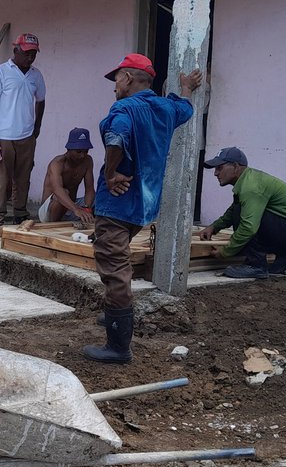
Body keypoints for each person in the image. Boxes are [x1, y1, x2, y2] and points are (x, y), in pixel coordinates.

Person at [82, 54, 202, 364]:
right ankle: (115, 313)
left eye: (117, 78)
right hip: (144, 206)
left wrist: (109, 174)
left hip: (118, 202)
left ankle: (118, 346)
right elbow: (185, 109)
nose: (114, 86)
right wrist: (186, 87)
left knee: (114, 267)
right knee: (118, 264)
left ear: (128, 78)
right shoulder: (164, 108)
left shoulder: (123, 109)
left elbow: (116, 136)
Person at [198, 147, 286, 279]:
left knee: (246, 219)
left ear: (235, 167)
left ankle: (256, 266)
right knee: (241, 211)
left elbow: (248, 227)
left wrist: (226, 251)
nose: (215, 173)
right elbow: (232, 211)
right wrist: (214, 227)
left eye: (220, 168)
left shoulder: (251, 187)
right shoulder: (247, 181)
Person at [0, 33, 46, 236]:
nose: (30, 58)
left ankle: (20, 213)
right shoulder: (1, 72)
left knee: (23, 178)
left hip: (26, 135)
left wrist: (37, 127)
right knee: (2, 179)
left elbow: (41, 101)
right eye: (27, 53)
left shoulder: (36, 75)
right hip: (3, 135)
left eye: (33, 54)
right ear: (16, 51)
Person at [38, 127, 95, 225]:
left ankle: (85, 219)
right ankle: (53, 226)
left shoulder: (87, 161)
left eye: (86, 151)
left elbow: (89, 189)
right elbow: (57, 189)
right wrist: (76, 209)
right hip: (49, 212)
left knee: (100, 197)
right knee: (64, 192)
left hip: (72, 207)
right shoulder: (57, 163)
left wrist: (87, 208)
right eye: (78, 152)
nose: (82, 155)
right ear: (69, 149)